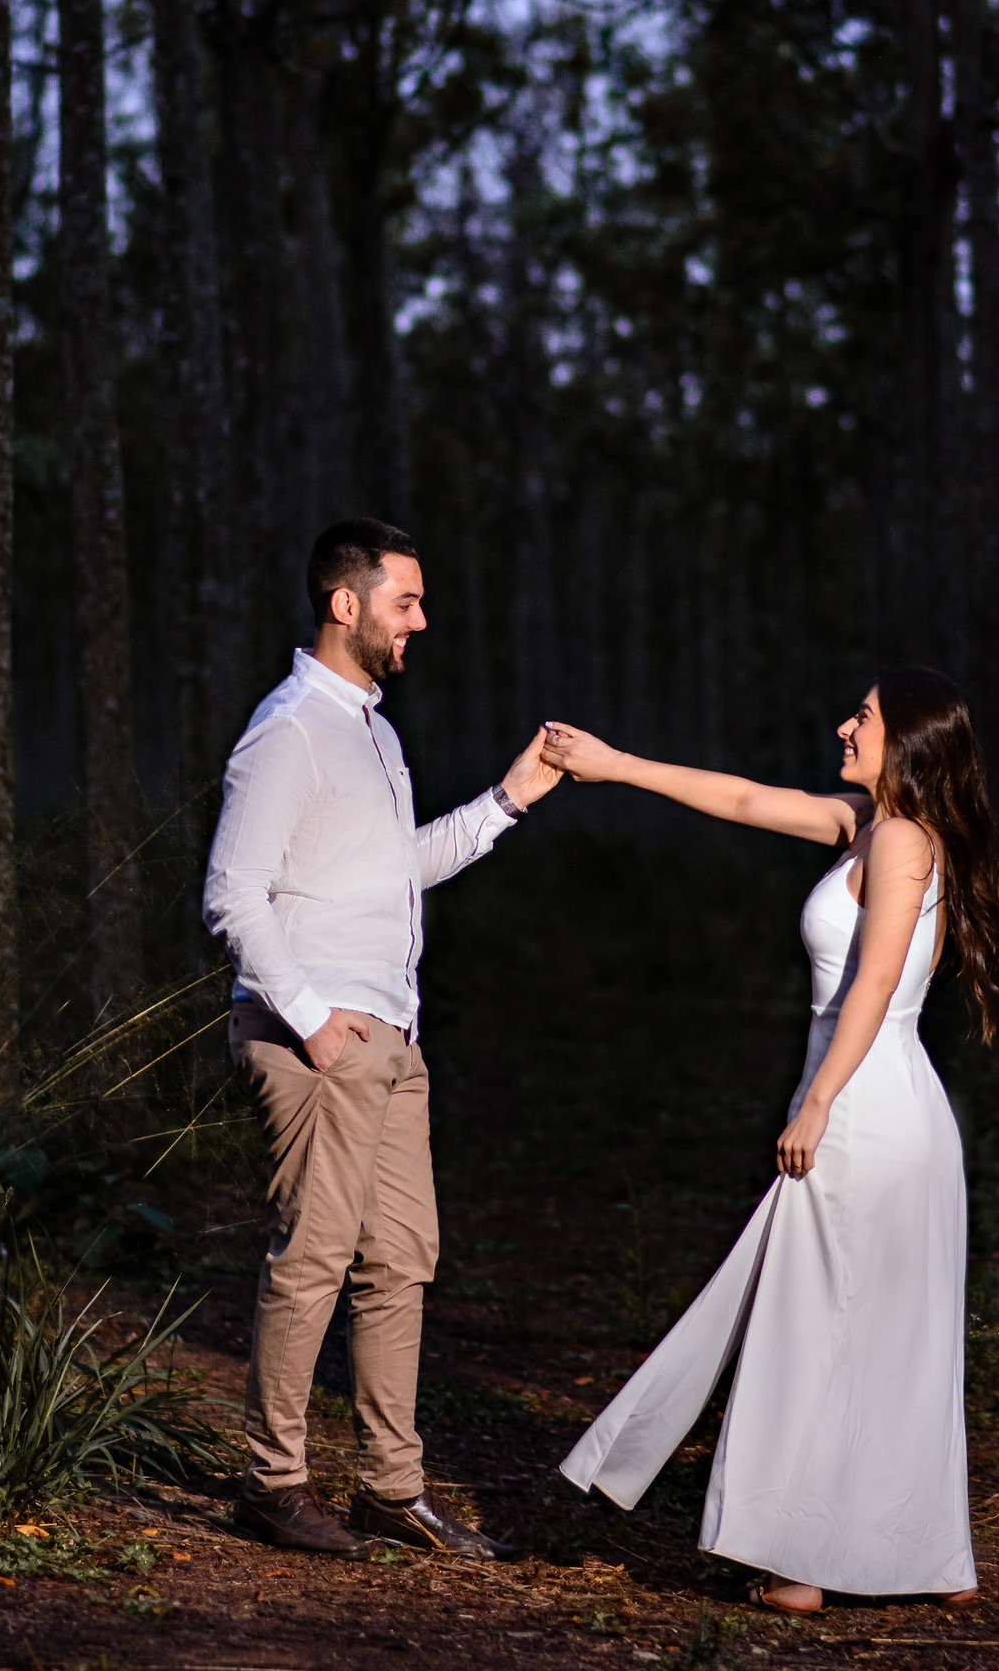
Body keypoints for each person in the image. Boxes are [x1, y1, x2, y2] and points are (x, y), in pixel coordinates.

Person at [541, 668, 999, 1612]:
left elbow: (875, 986)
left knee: (817, 1322)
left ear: (910, 742)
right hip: (872, 1102)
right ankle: (922, 1557)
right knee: (871, 1328)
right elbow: (749, 799)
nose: (845, 725)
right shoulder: (869, 827)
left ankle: (801, 1562)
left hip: (869, 1106)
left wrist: (817, 1103)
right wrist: (617, 765)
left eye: (866, 718)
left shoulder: (908, 842)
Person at [203, 517, 561, 1560]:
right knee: (312, 1258)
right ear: (344, 604)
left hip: (392, 1039)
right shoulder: (289, 728)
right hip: (321, 1038)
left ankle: (390, 1490)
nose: (421, 620)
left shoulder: (370, 728)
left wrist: (507, 801)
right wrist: (312, 1024)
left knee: (401, 1258)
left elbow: (390, 870)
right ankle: (274, 1485)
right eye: (405, 600)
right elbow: (232, 892)